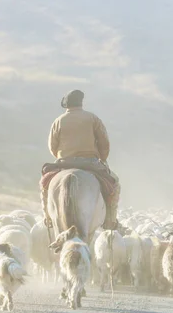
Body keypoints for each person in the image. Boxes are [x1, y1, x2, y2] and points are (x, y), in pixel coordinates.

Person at [41, 89, 120, 230]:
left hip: (64, 162)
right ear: (81, 103)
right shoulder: (93, 118)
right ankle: (110, 221)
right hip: (90, 162)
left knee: (44, 184)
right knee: (114, 184)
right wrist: (102, 158)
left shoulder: (58, 121)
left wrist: (62, 156)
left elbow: (52, 147)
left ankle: (48, 217)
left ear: (66, 105)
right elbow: (104, 143)